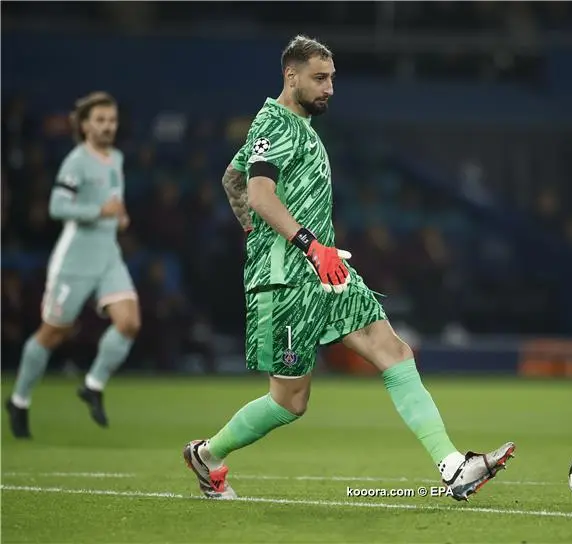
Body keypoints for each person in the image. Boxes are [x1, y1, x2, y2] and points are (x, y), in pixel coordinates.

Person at [183, 35, 515, 501]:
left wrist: (259, 231)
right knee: (290, 402)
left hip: (325, 271)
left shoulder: (301, 129)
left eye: (332, 79)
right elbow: (258, 194)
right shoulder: (273, 122)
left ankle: (453, 465)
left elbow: (233, 177)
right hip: (286, 280)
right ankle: (207, 456)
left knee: (394, 352)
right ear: (290, 76)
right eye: (320, 78)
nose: (330, 88)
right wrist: (293, 243)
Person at [5, 92, 140, 438]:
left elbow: (113, 202)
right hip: (75, 260)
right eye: (100, 120)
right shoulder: (76, 161)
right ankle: (19, 400)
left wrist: (119, 215)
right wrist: (98, 212)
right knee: (54, 332)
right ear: (84, 125)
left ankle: (93, 384)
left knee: (129, 323)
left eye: (111, 120)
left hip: (108, 257)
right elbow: (57, 207)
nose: (108, 126)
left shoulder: (117, 158)